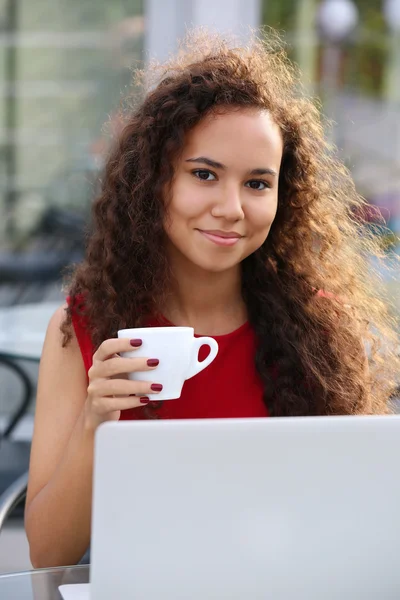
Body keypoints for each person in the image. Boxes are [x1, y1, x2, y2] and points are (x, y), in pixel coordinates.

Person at [25, 30, 400, 568]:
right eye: (205, 175)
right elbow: (47, 552)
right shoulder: (84, 330)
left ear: (282, 195)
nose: (231, 208)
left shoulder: (318, 328)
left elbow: (359, 511)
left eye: (257, 183)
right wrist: (95, 422)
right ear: (155, 181)